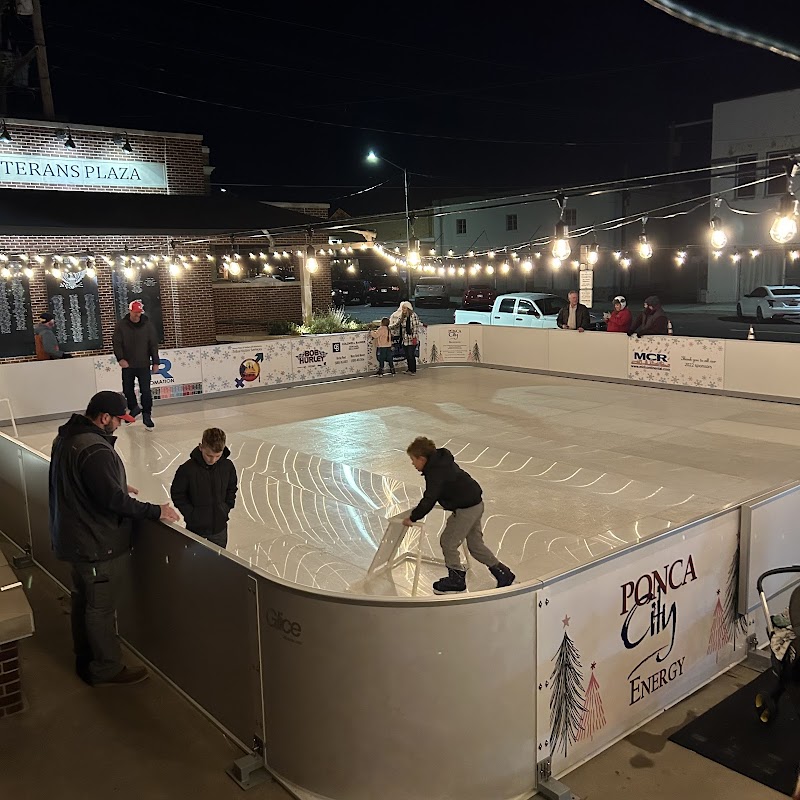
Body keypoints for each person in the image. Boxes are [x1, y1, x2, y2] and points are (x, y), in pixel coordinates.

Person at [49, 390, 180, 687]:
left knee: (83, 601)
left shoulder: (66, 438)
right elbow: (113, 502)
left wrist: (118, 483)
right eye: (119, 420)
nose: (120, 426)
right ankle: (105, 667)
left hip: (73, 539)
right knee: (100, 608)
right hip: (95, 544)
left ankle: (84, 657)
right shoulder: (94, 449)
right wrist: (155, 510)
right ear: (103, 418)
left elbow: (82, 481)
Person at [402, 436, 515, 594]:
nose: (412, 464)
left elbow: (430, 497)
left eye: (413, 460)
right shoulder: (441, 461)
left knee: (448, 542)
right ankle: (503, 572)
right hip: (475, 504)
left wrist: (413, 517)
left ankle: (456, 579)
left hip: (466, 509)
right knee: (475, 546)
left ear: (422, 458)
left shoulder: (435, 472)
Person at [170, 428, 238, 549]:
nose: (213, 460)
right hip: (195, 528)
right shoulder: (187, 469)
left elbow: (231, 488)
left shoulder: (227, 467)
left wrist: (226, 507)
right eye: (209, 455)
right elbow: (177, 494)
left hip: (219, 528)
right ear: (201, 447)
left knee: (218, 563)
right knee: (194, 563)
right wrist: (191, 514)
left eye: (218, 456)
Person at [112, 300, 159, 429]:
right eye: (135, 312)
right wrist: (120, 358)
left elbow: (153, 344)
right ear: (130, 311)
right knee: (127, 389)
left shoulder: (147, 325)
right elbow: (117, 343)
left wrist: (155, 362)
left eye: (139, 312)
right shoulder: (121, 326)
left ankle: (147, 415)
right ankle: (134, 408)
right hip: (128, 364)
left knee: (146, 391)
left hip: (143, 364)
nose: (137, 315)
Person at [390, 301, 421, 375]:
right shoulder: (402, 316)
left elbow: (415, 328)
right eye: (402, 308)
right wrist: (387, 327)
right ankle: (409, 369)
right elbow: (396, 324)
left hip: (411, 339)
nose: (403, 309)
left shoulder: (413, 315)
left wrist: (414, 338)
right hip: (404, 339)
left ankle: (413, 370)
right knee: (407, 355)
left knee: (411, 355)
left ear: (408, 308)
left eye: (404, 308)